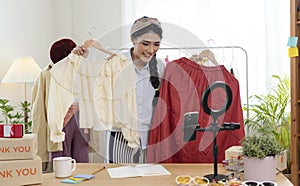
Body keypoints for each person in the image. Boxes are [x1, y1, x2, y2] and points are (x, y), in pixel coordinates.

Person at [74, 16, 165, 163]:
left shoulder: (160, 66)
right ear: (133, 39)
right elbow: (88, 85)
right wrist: (82, 58)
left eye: (156, 44)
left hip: (148, 136)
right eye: (145, 44)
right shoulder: (114, 63)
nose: (151, 50)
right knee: (118, 180)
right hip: (119, 135)